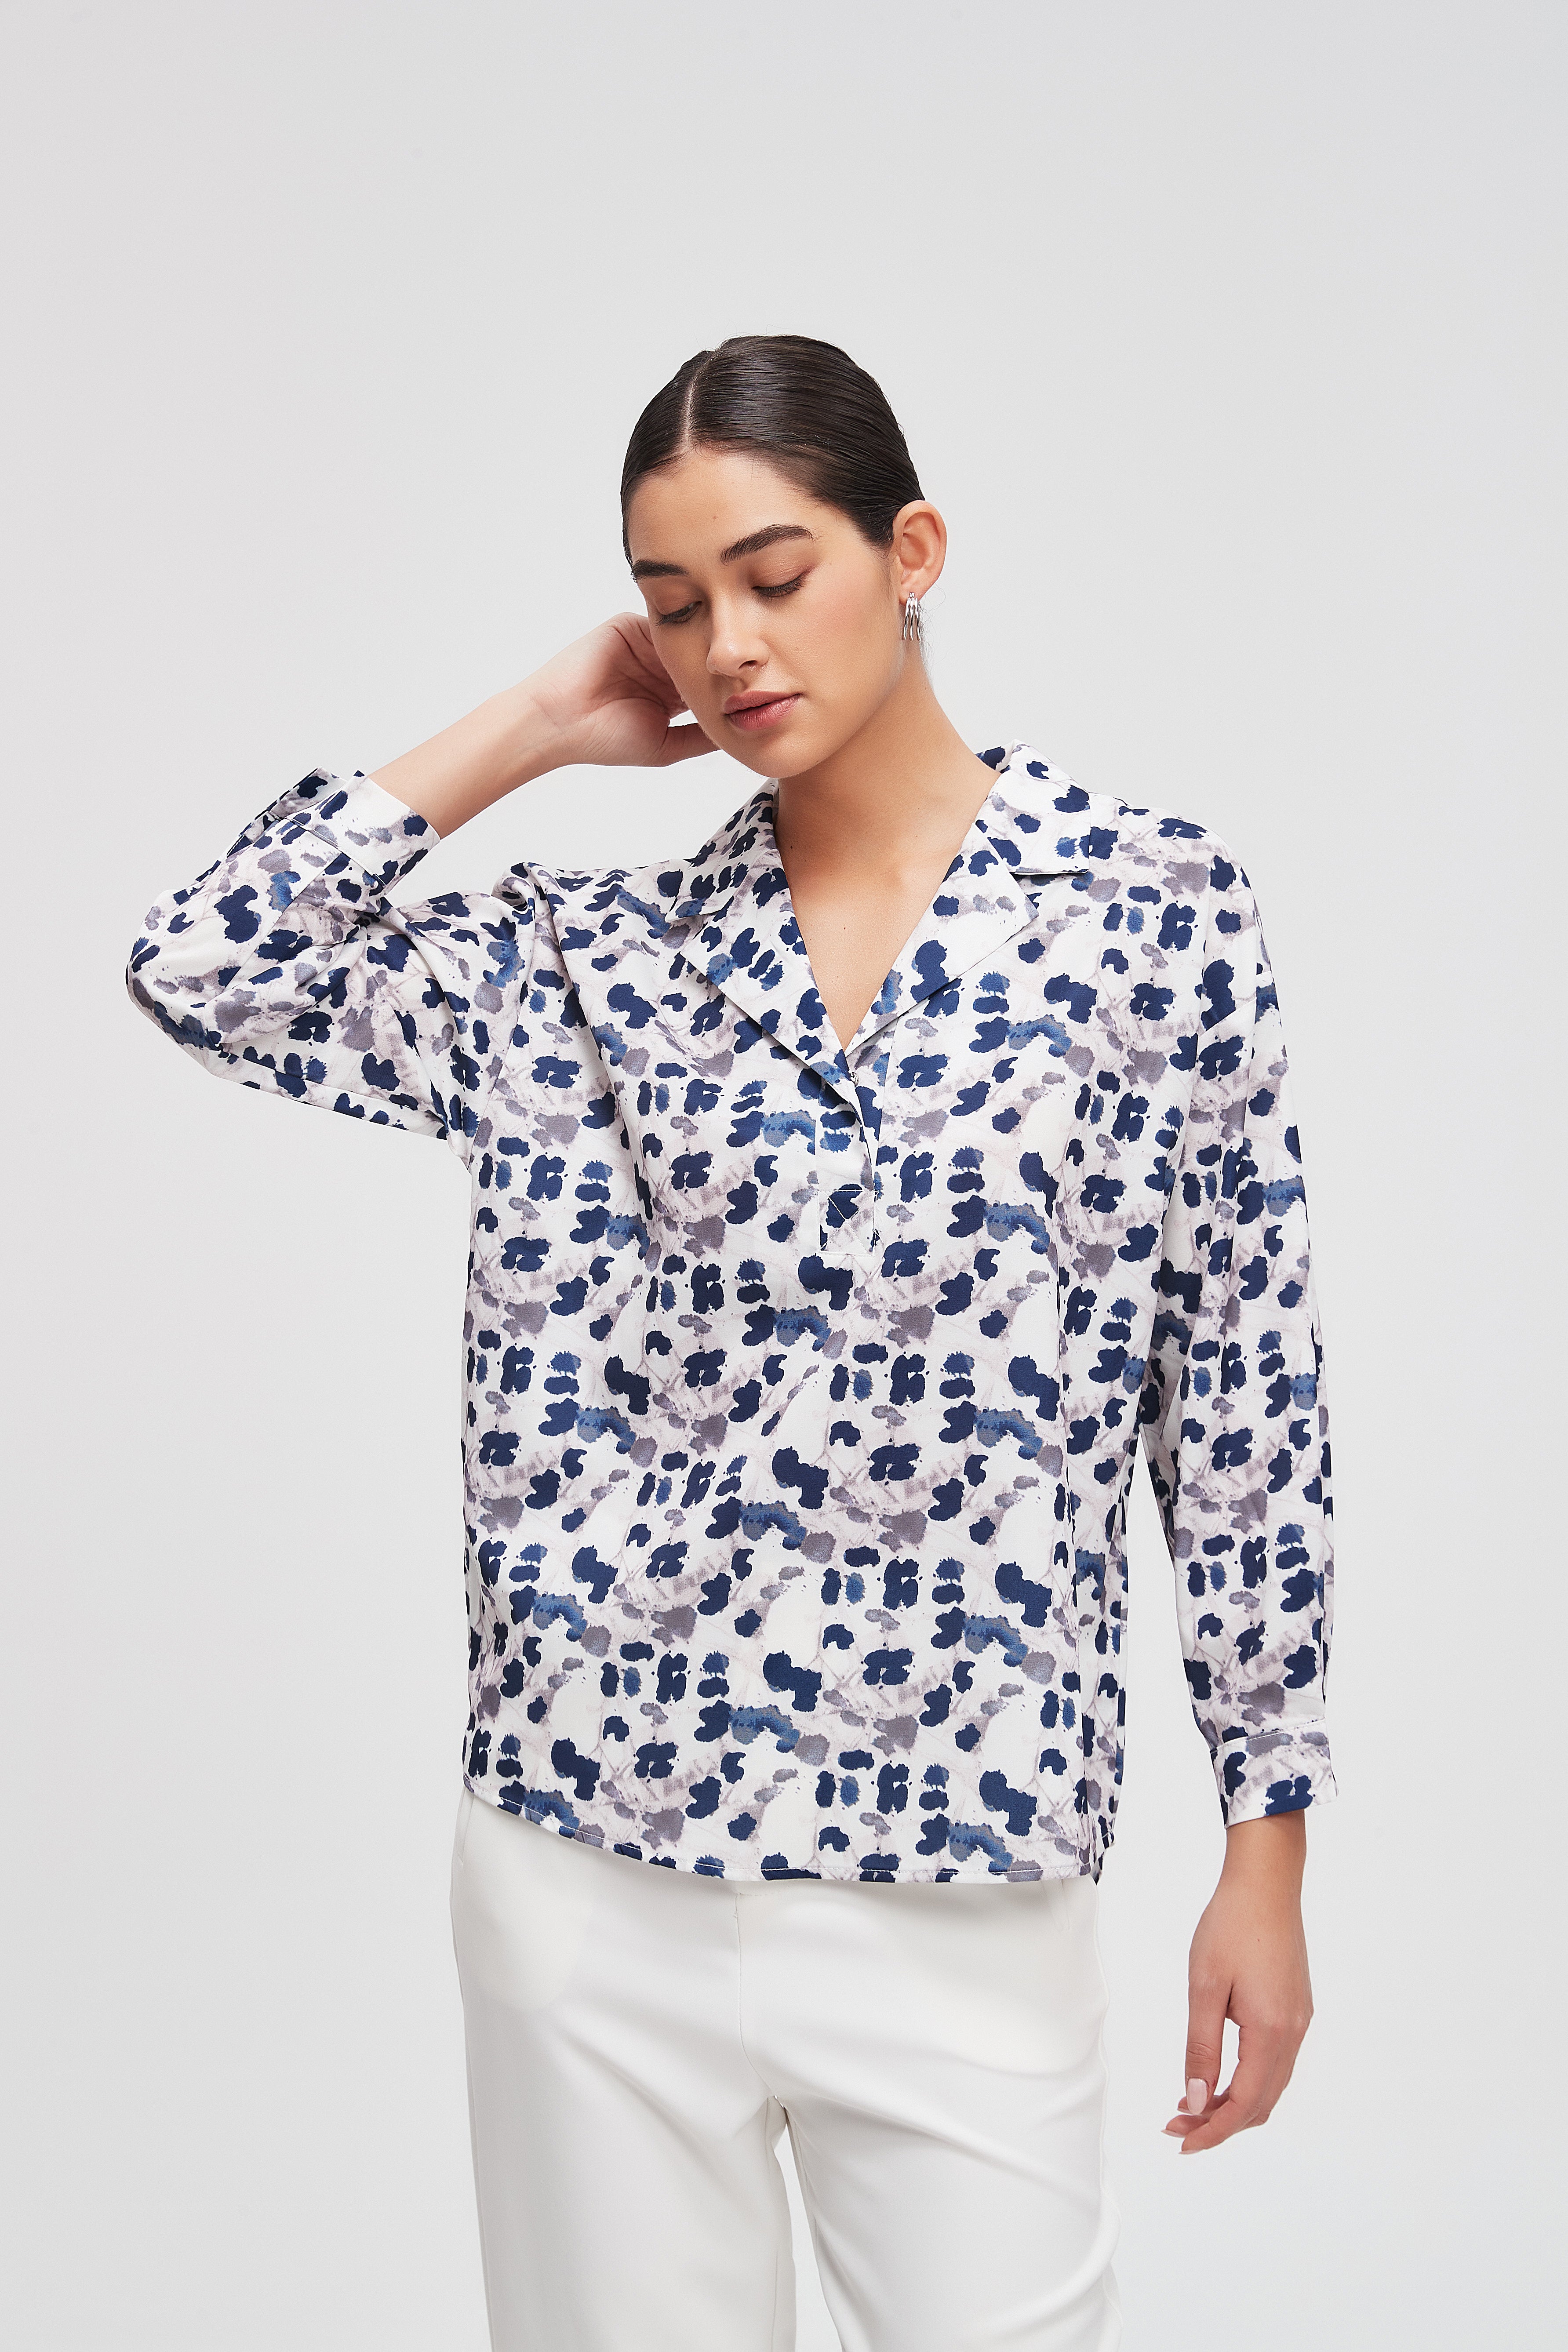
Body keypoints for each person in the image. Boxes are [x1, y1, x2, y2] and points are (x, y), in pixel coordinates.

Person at [127, 334, 1335, 2352]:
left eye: (776, 577)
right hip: (589, 1866)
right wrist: (536, 721)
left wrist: (1264, 1846)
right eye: (676, 604)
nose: (730, 647)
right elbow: (205, 966)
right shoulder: (584, 967)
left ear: (911, 550)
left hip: (964, 1868)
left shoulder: (1147, 915)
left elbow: (1239, 1396)